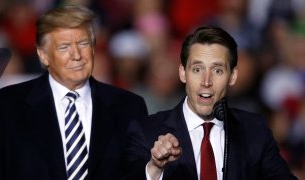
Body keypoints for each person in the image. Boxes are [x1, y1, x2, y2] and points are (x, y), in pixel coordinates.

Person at [0, 5, 148, 180]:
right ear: (43, 55)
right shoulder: (4, 106)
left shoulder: (130, 107)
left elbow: (139, 173)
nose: (76, 55)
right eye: (64, 47)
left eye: (83, 43)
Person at [122, 26, 297, 180]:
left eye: (217, 70)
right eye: (197, 69)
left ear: (232, 76)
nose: (206, 81)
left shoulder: (254, 130)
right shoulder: (146, 132)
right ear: (183, 73)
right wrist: (154, 169)